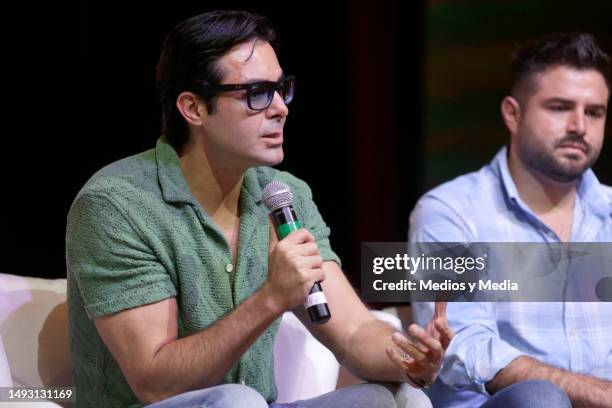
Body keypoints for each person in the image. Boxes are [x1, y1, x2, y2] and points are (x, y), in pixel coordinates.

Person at [66, 10, 452, 408]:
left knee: (399, 399)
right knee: (237, 401)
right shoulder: (116, 205)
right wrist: (271, 298)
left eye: (280, 89)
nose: (280, 109)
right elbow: (156, 382)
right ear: (194, 108)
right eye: (256, 93)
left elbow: (354, 333)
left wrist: (409, 357)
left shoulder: (283, 194)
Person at [410, 32, 612, 407]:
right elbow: (461, 342)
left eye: (595, 112)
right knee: (540, 400)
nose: (579, 126)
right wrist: (597, 395)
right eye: (559, 107)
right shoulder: (450, 211)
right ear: (512, 114)